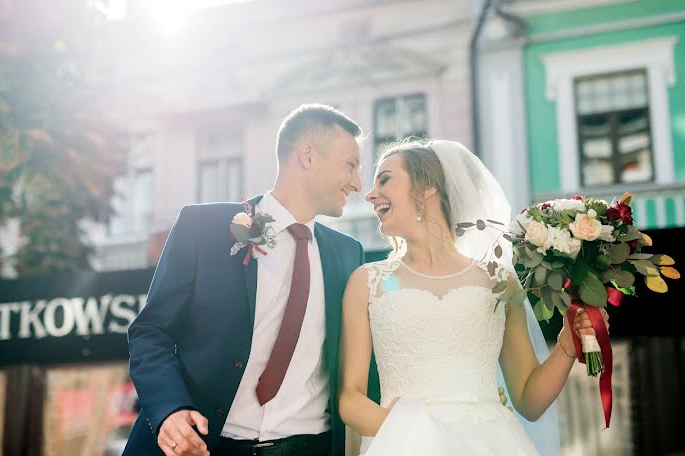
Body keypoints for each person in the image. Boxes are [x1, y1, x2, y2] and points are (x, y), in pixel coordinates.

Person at [124, 104, 370, 456]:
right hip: (204, 447)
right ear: (308, 156)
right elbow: (151, 332)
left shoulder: (349, 255)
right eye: (351, 165)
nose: (358, 183)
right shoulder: (202, 228)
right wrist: (170, 411)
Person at [340, 139, 609, 455]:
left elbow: (528, 399)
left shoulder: (499, 280)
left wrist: (566, 345)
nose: (370, 195)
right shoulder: (368, 282)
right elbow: (350, 396)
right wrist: (407, 433)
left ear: (428, 187)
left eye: (385, 179)